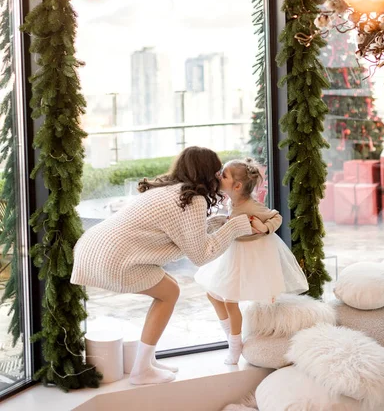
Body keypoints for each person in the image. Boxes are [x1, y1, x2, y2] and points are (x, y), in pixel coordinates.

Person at [71, 147, 258, 385]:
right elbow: (201, 254)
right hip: (113, 260)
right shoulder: (193, 200)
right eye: (218, 171)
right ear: (208, 172)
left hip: (93, 249)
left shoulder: (170, 190)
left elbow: (186, 233)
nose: (219, 176)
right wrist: (235, 227)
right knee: (170, 293)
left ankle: (146, 361)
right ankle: (141, 371)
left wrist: (220, 224)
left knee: (169, 286)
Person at [194, 158, 309, 365]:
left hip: (249, 254)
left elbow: (276, 217)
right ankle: (232, 336)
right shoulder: (232, 201)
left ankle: (235, 347)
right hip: (233, 251)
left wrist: (265, 228)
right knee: (213, 295)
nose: (219, 176)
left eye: (224, 174)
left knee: (230, 301)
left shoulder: (252, 206)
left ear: (237, 186)